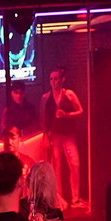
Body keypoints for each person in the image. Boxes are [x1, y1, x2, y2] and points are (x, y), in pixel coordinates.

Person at [41, 67, 85, 208]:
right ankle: (59, 198)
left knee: (75, 164)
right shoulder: (46, 97)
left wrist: (68, 115)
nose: (54, 82)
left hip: (69, 134)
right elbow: (44, 118)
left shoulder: (69, 94)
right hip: (55, 135)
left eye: (56, 79)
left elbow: (80, 110)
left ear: (62, 80)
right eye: (51, 79)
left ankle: (75, 198)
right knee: (57, 167)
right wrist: (46, 136)